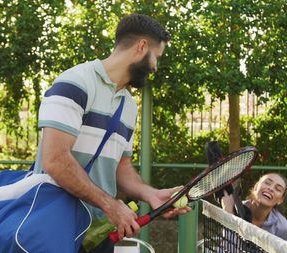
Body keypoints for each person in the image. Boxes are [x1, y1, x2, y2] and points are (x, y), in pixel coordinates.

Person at [34, 13, 190, 252]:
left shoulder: (128, 105)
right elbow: (55, 160)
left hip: (98, 234)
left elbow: (122, 167)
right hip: (52, 228)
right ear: (141, 47)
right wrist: (111, 205)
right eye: (156, 58)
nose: (155, 67)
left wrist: (152, 194)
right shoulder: (75, 82)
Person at [221, 173, 287, 240]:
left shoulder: (283, 227)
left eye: (278, 189)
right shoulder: (232, 207)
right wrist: (229, 212)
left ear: (280, 200)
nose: (271, 188)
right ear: (256, 187)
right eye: (267, 183)